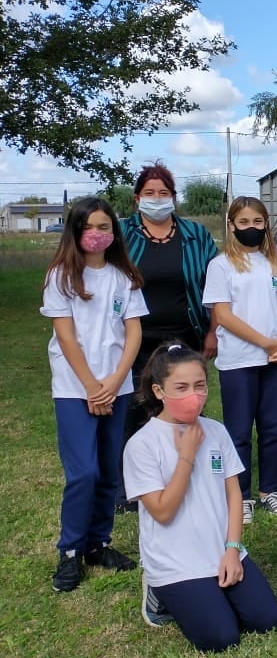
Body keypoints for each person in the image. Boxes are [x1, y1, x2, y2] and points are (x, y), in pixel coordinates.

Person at [124, 343, 277, 651]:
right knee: (221, 638)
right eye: (180, 387)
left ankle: (210, 591)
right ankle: (158, 593)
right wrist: (186, 456)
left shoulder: (216, 431)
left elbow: (234, 494)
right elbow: (162, 511)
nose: (192, 395)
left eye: (199, 385)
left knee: (266, 620)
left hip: (220, 550)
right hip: (175, 561)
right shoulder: (142, 445)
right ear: (159, 391)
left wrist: (233, 550)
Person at [42, 197, 146, 591]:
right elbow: (66, 336)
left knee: (107, 469)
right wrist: (90, 386)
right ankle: (70, 551)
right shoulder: (62, 276)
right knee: (82, 472)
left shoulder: (124, 276)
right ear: (75, 231)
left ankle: (98, 544)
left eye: (105, 227)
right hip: (75, 389)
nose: (98, 234)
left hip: (116, 387)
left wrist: (116, 381)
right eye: (90, 227)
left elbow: (133, 332)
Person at [118, 163, 219, 510]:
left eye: (164, 193)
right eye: (150, 193)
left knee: (181, 404)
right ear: (137, 199)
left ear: (174, 198)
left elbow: (214, 286)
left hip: (185, 333)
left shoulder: (196, 235)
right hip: (134, 336)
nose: (157, 199)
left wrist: (211, 331)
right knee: (134, 408)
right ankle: (129, 486)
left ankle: (183, 468)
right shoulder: (122, 234)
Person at [203, 196, 277, 524]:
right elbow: (223, 315)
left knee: (274, 428)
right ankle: (240, 495)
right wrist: (264, 341)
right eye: (244, 223)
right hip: (239, 360)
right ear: (232, 226)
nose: (252, 228)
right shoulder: (221, 265)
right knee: (240, 431)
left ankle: (269, 490)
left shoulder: (276, 263)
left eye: (258, 222)